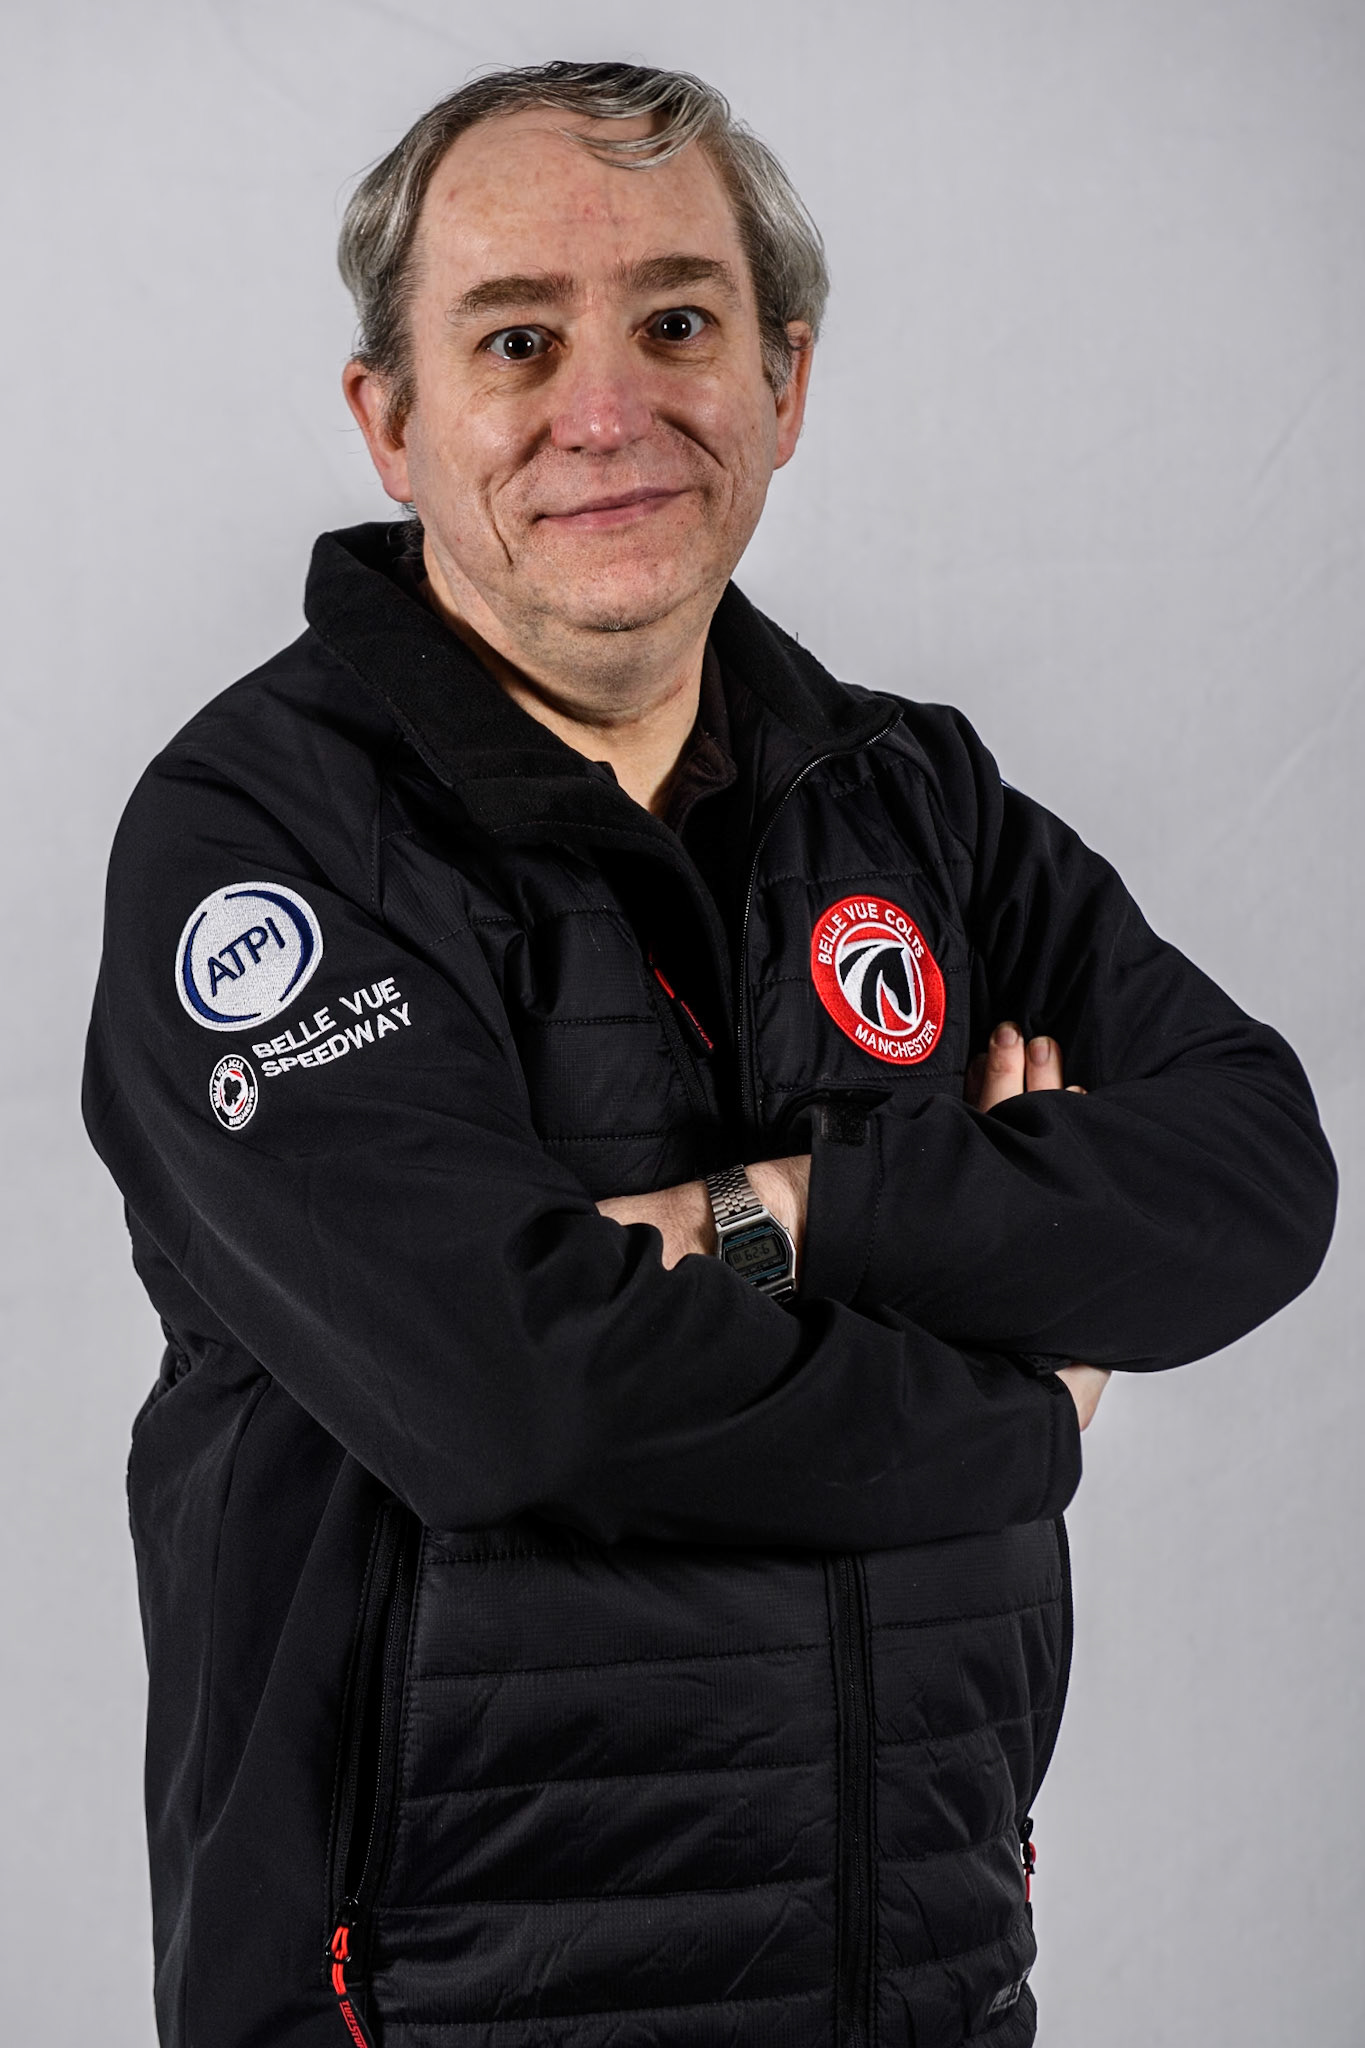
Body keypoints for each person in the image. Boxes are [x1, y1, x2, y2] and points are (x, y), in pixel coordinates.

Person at [81, 60, 1336, 2048]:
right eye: (516, 340)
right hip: (436, 2001)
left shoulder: (907, 798)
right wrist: (1014, 1399)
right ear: (389, 423)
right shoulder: (264, 843)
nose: (609, 407)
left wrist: (772, 1218)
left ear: (783, 385)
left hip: (913, 1972)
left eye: (677, 322)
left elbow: (1252, 1183)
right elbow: (520, 1396)